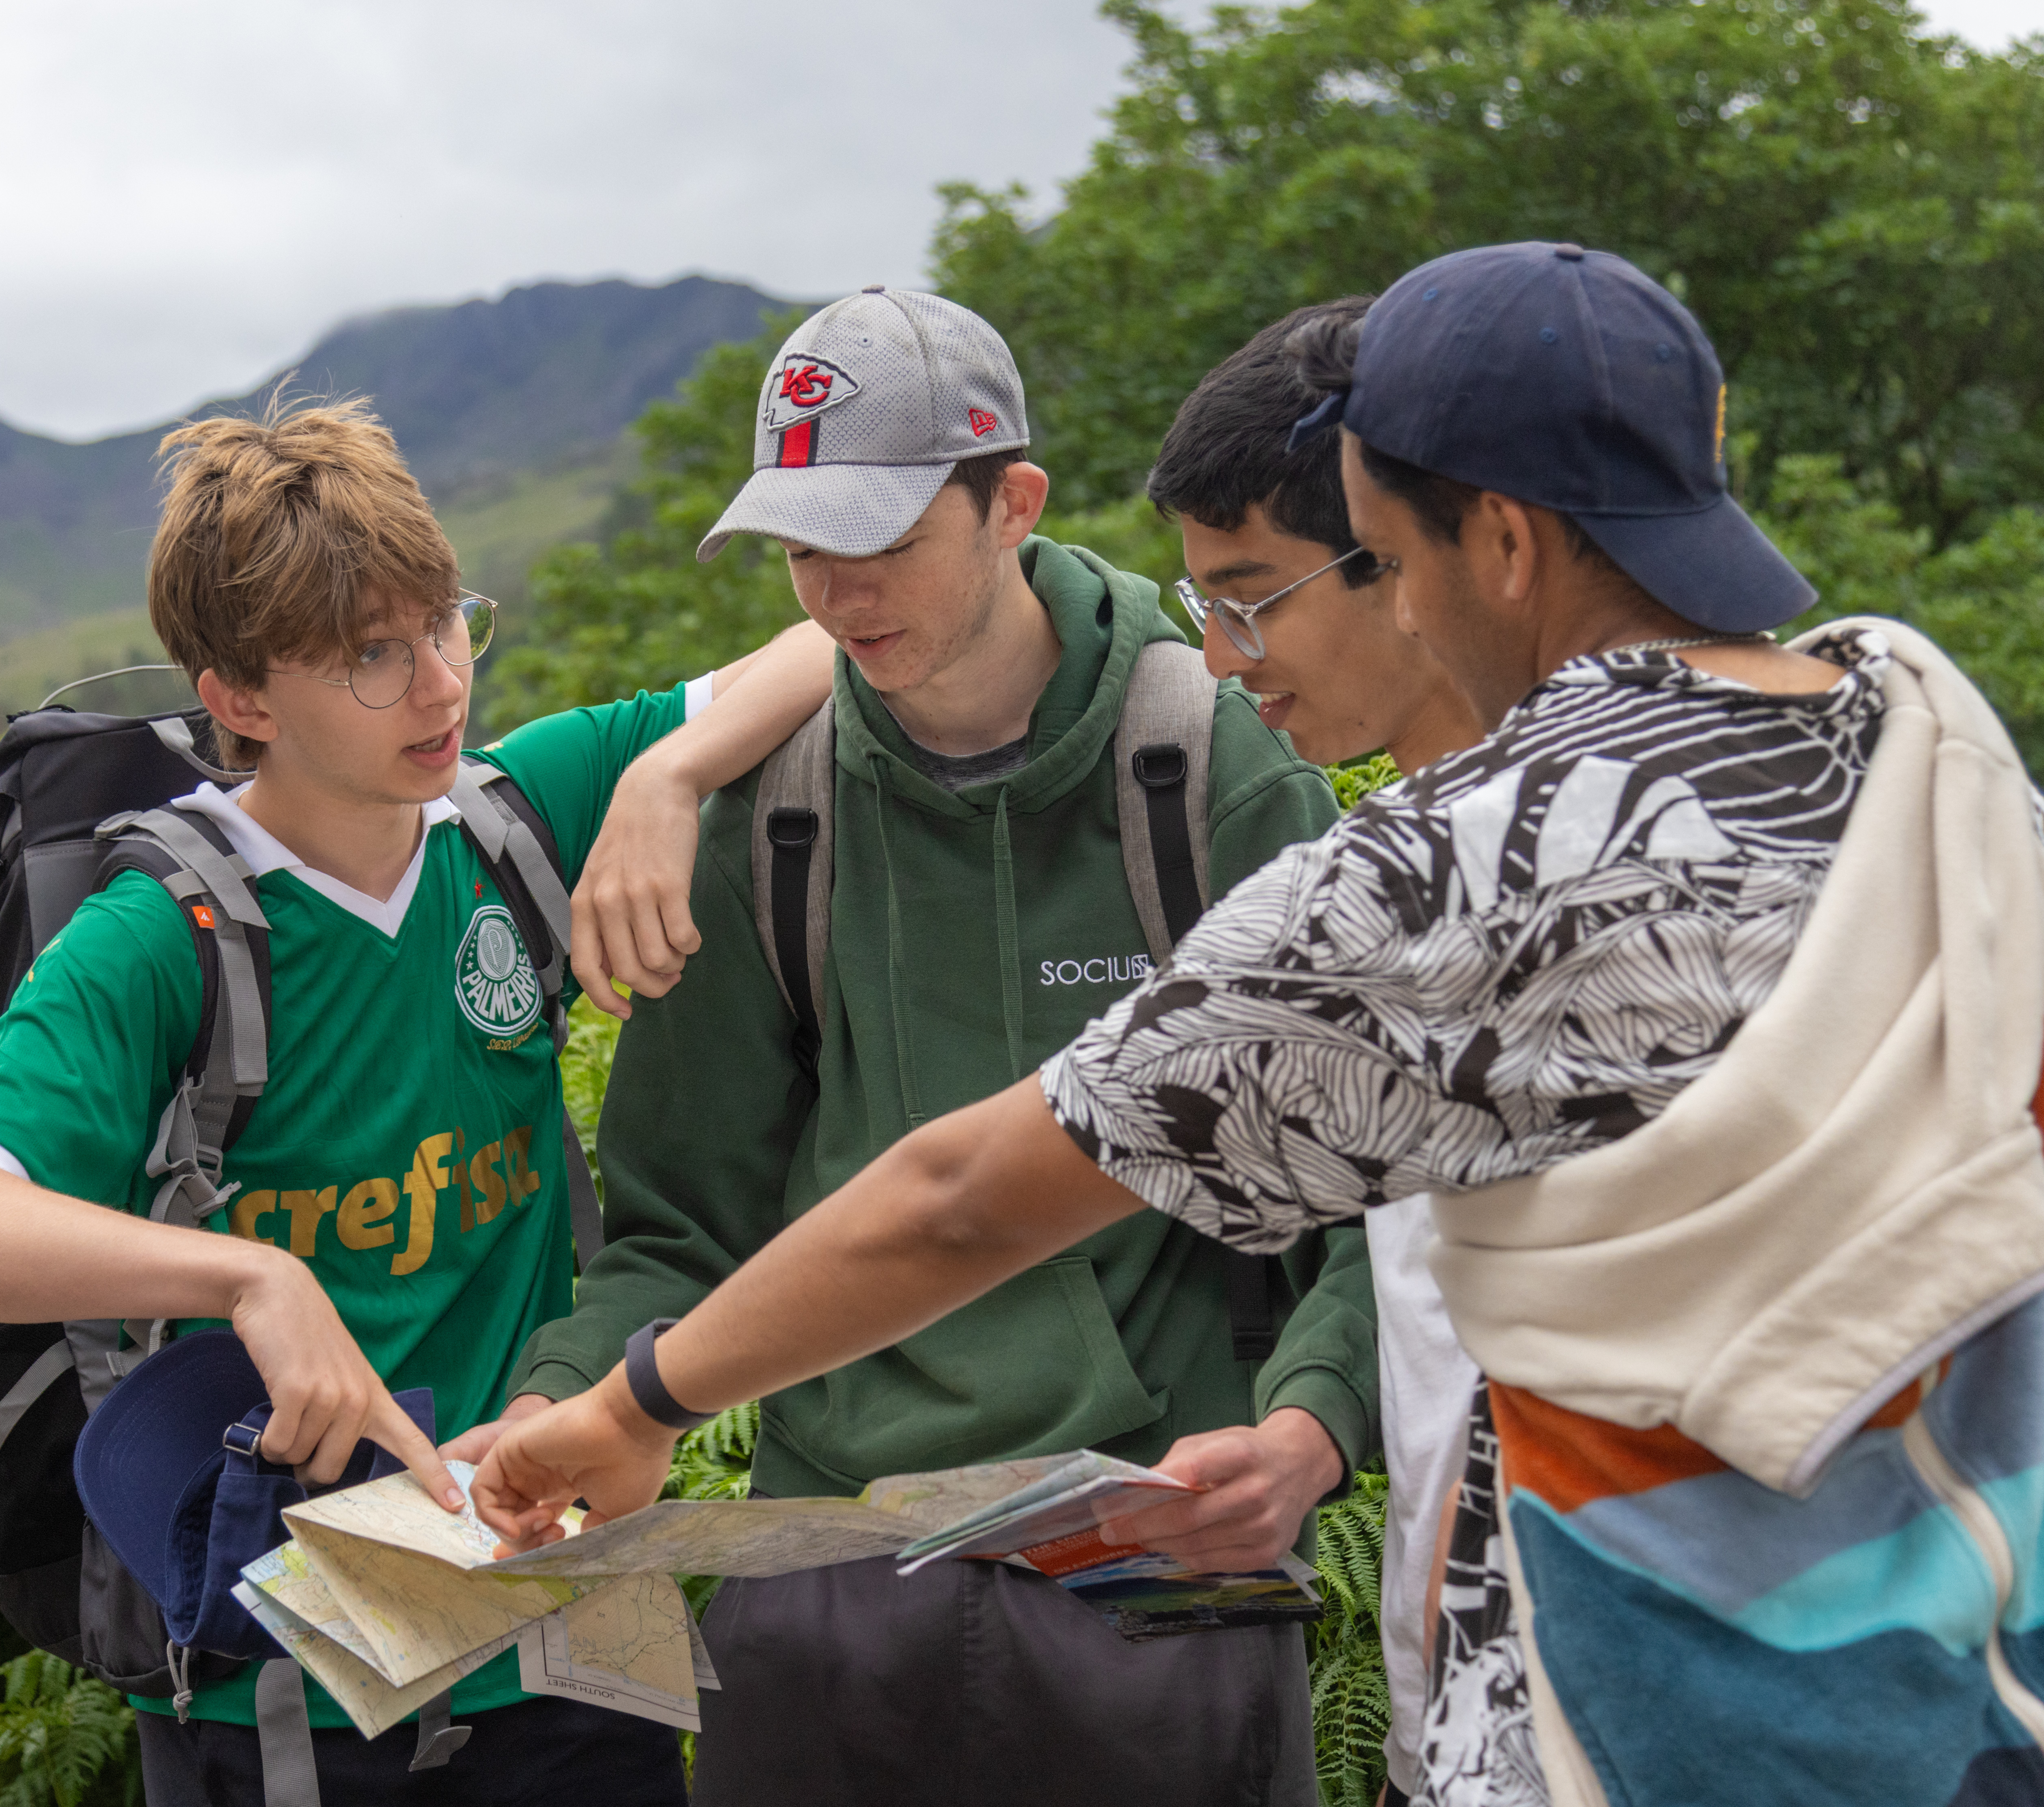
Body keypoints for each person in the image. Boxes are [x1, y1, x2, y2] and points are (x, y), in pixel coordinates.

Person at [474, 243, 2044, 1807]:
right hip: (1967, 1683)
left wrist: (635, 1403)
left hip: (1640, 1717)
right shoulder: (1928, 746)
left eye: (1373, 556)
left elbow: (969, 1199)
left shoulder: (1467, 871)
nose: (1281, 638)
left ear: (1497, 541)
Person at [453, 285, 1370, 1807]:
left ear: (1013, 502)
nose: (833, 591)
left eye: (878, 541)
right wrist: (567, 1402)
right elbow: (684, 1216)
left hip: (1149, 1546)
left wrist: (1308, 1429)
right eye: (802, 548)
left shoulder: (1212, 768)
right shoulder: (772, 811)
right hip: (826, 1561)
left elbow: (1363, 1182)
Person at [0, 395, 838, 1807]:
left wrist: (672, 771)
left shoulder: (508, 824)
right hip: (302, 1668)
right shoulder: (166, 936)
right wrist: (252, 1277)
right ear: (242, 699)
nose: (440, 687)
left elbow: (826, 641)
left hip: (567, 1596)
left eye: (447, 624)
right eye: (370, 658)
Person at [1148, 293, 1484, 1805]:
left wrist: (645, 1400)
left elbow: (980, 1191)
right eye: (1193, 606)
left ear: (1399, 552)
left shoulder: (1506, 873)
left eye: (1253, 598)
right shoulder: (1383, 869)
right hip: (1465, 1731)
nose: (1221, 660)